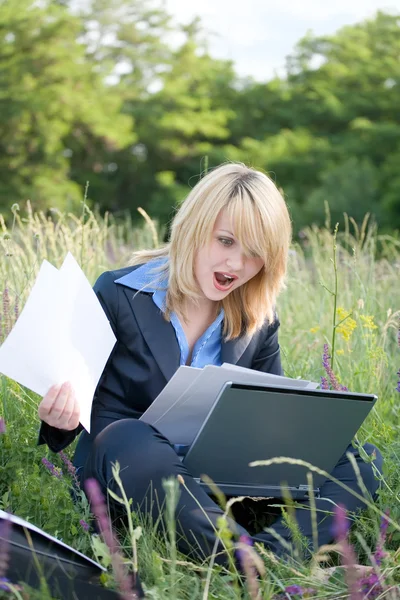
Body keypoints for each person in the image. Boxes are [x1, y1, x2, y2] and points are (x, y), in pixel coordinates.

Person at [37, 162, 382, 565]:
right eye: (225, 241)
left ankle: (274, 559)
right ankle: (244, 563)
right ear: (195, 227)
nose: (236, 264)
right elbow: (75, 409)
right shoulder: (116, 294)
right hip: (129, 475)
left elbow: (272, 418)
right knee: (129, 437)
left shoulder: (258, 322)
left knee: (361, 460)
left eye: (254, 254)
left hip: (217, 483)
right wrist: (58, 420)